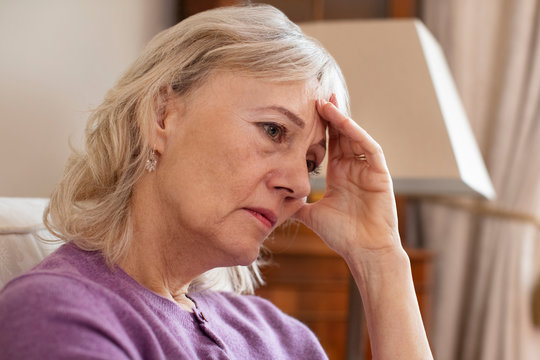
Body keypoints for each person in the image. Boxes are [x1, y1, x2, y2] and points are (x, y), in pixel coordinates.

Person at [0, 4, 432, 359]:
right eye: (273, 130)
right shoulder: (57, 313)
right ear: (161, 116)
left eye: (312, 162)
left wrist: (381, 262)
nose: (301, 185)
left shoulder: (285, 339)